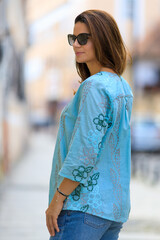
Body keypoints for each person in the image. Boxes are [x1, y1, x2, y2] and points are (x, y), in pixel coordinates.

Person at [45, 9, 133, 240]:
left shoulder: (94, 87)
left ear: (103, 38)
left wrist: (57, 199)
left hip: (81, 206)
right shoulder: (122, 87)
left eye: (83, 38)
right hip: (112, 210)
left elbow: (84, 152)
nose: (76, 44)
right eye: (72, 38)